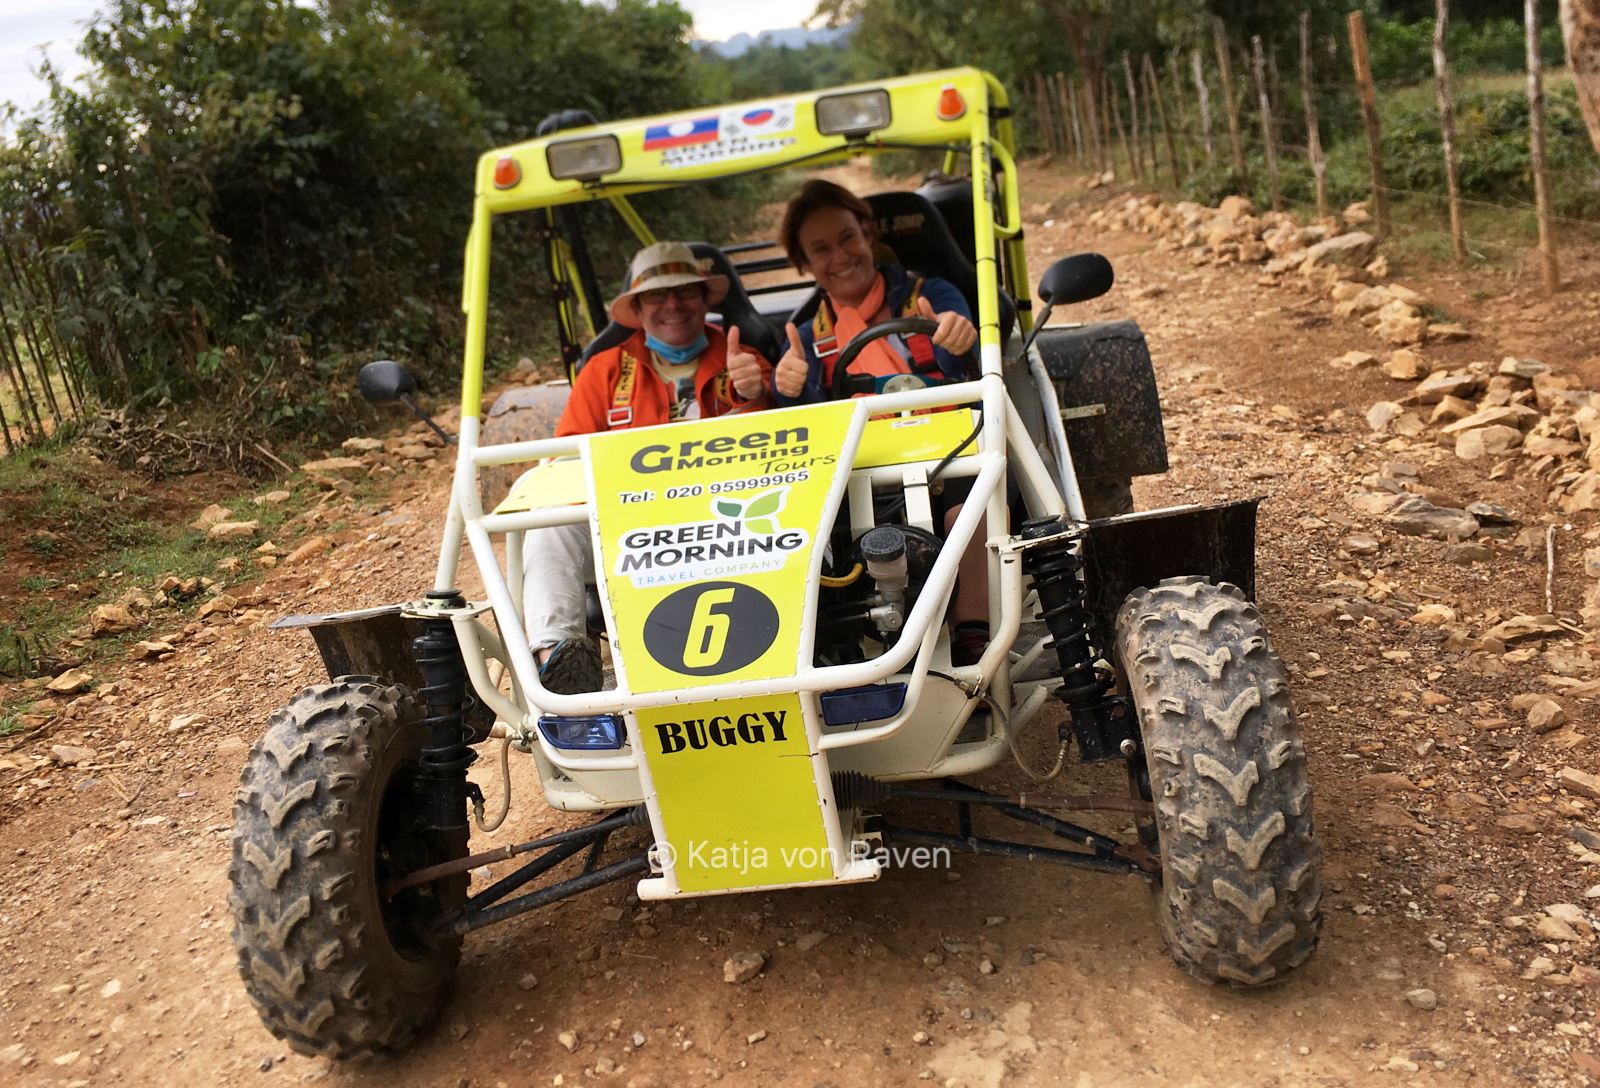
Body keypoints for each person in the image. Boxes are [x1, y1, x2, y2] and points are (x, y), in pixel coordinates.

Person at [525, 241, 775, 694]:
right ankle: (556, 664)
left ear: (705, 300)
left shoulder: (742, 362)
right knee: (547, 523)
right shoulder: (602, 372)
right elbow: (561, 461)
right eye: (657, 295)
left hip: (729, 525)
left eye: (685, 292)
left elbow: (787, 458)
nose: (673, 305)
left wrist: (755, 395)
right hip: (629, 527)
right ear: (637, 309)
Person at [769, 179, 999, 666]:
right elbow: (804, 429)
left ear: (868, 233)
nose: (840, 256)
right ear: (805, 264)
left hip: (948, 452)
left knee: (966, 504)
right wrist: (788, 389)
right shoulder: (808, 338)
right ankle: (828, 650)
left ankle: (973, 637)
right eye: (821, 249)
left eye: (847, 238)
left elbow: (969, 353)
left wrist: (960, 339)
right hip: (862, 470)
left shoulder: (929, 295)